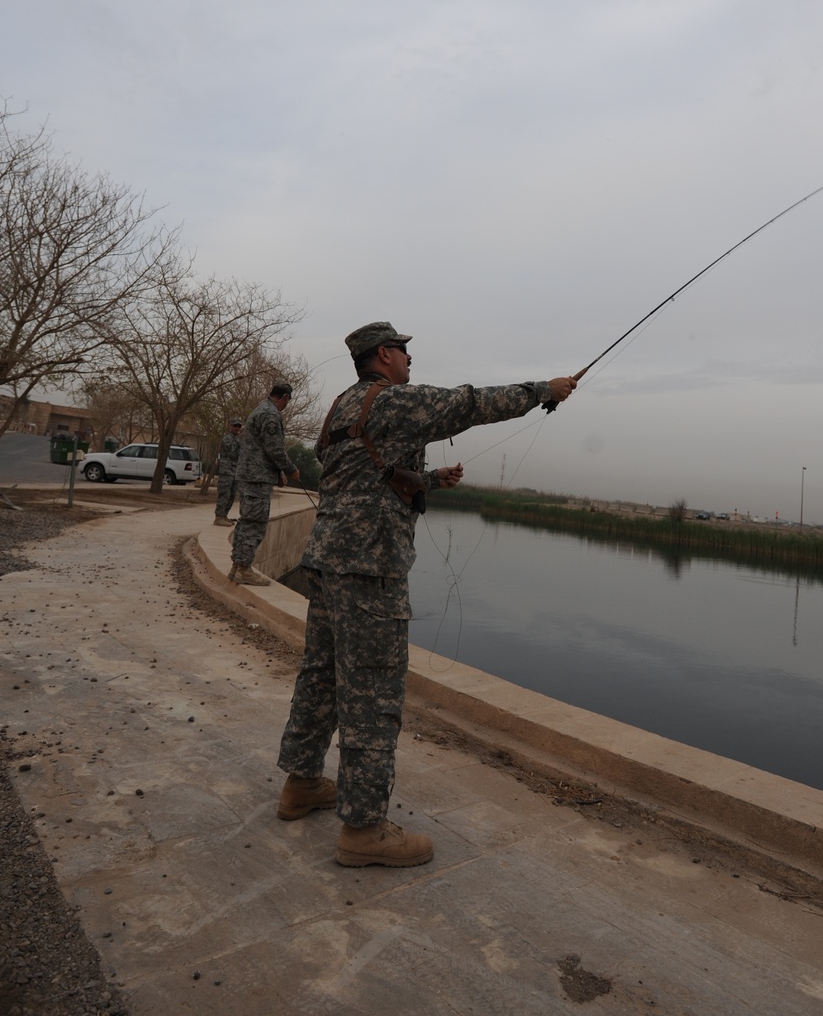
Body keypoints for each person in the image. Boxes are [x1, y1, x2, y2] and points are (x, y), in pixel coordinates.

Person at [275, 322, 576, 868]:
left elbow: (374, 473)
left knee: (320, 675)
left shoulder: (344, 406)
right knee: (372, 694)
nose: (412, 360)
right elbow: (468, 404)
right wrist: (542, 391)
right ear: (385, 355)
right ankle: (363, 831)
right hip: (371, 571)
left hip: (326, 564)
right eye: (405, 352)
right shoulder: (392, 402)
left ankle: (301, 784)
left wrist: (431, 479)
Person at [228, 382, 299, 586]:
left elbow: (261, 448)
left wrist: (278, 474)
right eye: (288, 401)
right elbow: (274, 448)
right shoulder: (270, 414)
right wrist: (290, 468)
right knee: (255, 523)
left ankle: (237, 566)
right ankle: (244, 569)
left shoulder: (260, 409)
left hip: (252, 475)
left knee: (246, 520)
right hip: (257, 478)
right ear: (285, 397)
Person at [212, 416, 242, 527]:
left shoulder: (237, 439)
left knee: (232, 494)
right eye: (235, 426)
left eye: (239, 426)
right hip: (227, 471)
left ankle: (224, 515)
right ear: (230, 426)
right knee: (224, 494)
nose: (237, 428)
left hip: (234, 471)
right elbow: (233, 454)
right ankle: (219, 517)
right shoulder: (227, 439)